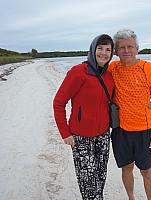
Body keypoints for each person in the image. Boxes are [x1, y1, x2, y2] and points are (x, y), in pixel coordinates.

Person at [53, 34, 114, 200]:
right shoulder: (78, 72)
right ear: (93, 49)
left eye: (108, 49)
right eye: (100, 48)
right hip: (81, 137)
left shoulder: (109, 74)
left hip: (103, 135)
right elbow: (59, 103)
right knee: (88, 180)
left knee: (100, 176)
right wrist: (65, 133)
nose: (104, 53)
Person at [109, 29, 151, 200]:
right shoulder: (112, 68)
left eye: (130, 46)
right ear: (116, 52)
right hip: (121, 131)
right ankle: (131, 198)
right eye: (122, 47)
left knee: (146, 170)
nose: (127, 51)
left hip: (146, 130)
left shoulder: (149, 68)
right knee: (126, 169)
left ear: (137, 48)